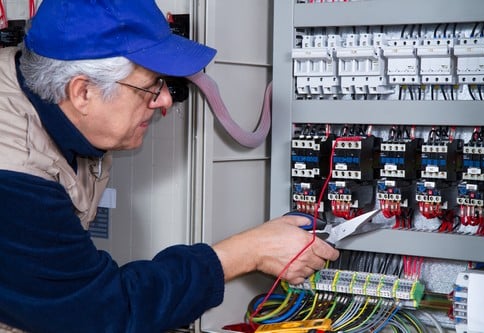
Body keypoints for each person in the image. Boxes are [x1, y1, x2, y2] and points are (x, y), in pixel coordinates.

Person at [0, 1, 339, 332]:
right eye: (149, 88)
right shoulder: (14, 174)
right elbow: (100, 311)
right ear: (82, 92)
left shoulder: (44, 98)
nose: (164, 100)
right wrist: (247, 252)